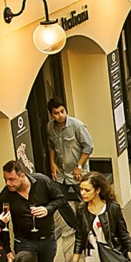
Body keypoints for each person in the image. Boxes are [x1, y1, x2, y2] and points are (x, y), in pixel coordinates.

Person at [0, 160, 66, 262]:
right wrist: (7, 250)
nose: (8, 183)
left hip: (47, 239)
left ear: (22, 176)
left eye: (12, 179)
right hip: (24, 242)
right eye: (5, 179)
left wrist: (47, 209)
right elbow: (4, 226)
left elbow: (60, 199)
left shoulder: (42, 182)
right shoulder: (5, 196)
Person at [45, 97, 93, 230]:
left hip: (77, 172)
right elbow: (51, 146)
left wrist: (79, 166)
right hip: (61, 172)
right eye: (56, 113)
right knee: (59, 200)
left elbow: (88, 147)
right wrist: (52, 164)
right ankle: (76, 226)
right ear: (51, 114)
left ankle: (91, 226)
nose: (60, 115)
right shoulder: (50, 127)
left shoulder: (76, 125)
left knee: (86, 199)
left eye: (62, 111)